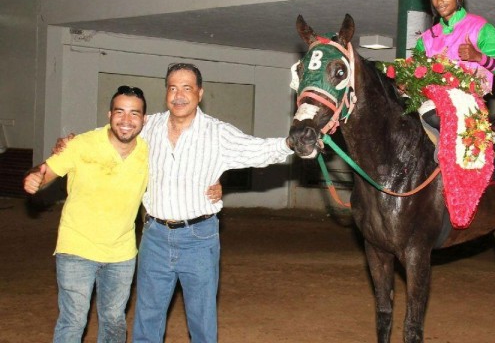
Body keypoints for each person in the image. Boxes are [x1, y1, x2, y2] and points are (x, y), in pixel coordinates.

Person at [132, 63, 293, 342]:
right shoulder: (149, 127)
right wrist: (72, 144)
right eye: (172, 88)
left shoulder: (218, 133)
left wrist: (291, 144)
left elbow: (258, 150)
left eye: (186, 88)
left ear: (200, 93)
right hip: (155, 236)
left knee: (202, 320)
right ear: (165, 93)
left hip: (198, 238)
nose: (178, 95)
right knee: (147, 318)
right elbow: (114, 134)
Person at [23, 86, 149, 343]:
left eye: (134, 114)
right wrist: (35, 177)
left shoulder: (149, 151)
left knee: (114, 320)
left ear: (144, 119)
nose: (126, 120)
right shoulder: (82, 144)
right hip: (77, 249)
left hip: (122, 254)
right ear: (109, 114)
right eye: (120, 112)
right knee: (73, 319)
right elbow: (47, 170)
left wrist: (214, 184)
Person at [415, 0, 495, 158]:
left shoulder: (481, 28)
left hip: (469, 107)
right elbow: (415, 73)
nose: (439, 1)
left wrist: (479, 57)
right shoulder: (426, 39)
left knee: (431, 112)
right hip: (431, 104)